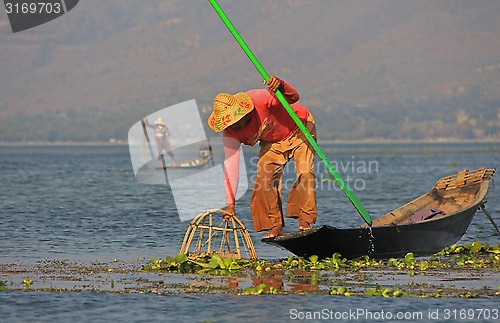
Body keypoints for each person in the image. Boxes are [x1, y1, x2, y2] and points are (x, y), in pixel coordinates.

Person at [207, 76, 317, 239]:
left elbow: (294, 97)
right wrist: (230, 204)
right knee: (263, 180)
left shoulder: (259, 98)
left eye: (236, 120)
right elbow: (231, 169)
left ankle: (305, 219)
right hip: (272, 141)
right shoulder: (231, 133)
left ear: (243, 111)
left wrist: (281, 85)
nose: (235, 126)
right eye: (230, 123)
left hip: (299, 126)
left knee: (305, 171)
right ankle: (275, 225)